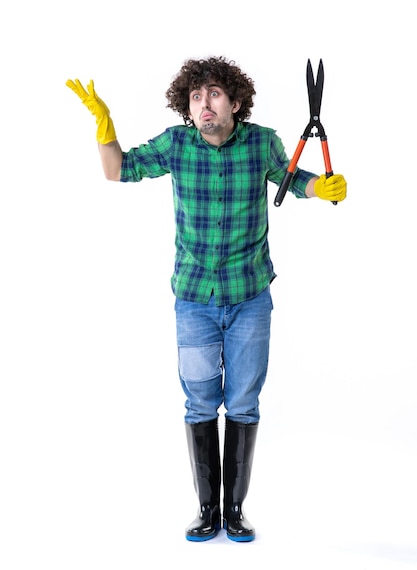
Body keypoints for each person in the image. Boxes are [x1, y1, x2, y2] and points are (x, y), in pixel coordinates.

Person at [66, 57, 347, 543]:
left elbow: (289, 178)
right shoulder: (176, 145)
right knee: (199, 402)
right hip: (194, 299)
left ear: (234, 102)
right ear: (188, 108)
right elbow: (117, 170)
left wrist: (318, 187)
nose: (204, 104)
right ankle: (205, 510)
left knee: (242, 400)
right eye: (196, 97)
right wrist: (104, 126)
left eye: (213, 94)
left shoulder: (261, 142)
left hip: (250, 296)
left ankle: (234, 510)